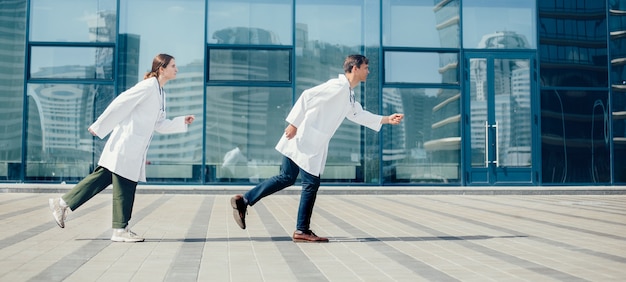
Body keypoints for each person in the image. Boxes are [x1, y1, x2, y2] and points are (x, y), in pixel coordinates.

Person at [230, 54, 404, 243]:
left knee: (287, 177)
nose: (368, 71)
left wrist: (386, 119)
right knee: (311, 184)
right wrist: (294, 123)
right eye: (366, 68)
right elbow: (307, 96)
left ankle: (245, 200)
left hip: (307, 141)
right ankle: (301, 230)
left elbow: (357, 114)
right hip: (305, 140)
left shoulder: (347, 93)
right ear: (355, 68)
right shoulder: (337, 87)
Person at [48, 53, 195, 242]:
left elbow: (158, 124)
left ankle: (61, 204)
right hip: (126, 145)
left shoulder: (160, 92)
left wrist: (181, 121)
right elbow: (121, 102)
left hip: (133, 148)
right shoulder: (148, 86)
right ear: (162, 68)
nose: (177, 69)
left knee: (100, 179)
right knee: (125, 186)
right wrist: (100, 125)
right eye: (173, 66)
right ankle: (119, 230)